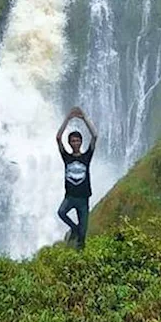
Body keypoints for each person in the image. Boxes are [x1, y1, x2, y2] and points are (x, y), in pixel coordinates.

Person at [56, 106, 98, 249]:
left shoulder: (87, 157)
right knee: (61, 212)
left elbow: (95, 136)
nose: (75, 143)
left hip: (83, 198)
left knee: (83, 234)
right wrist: (68, 119)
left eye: (77, 141)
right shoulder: (66, 157)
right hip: (70, 197)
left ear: (81, 142)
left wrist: (84, 118)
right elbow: (58, 137)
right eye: (72, 141)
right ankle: (73, 228)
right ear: (70, 143)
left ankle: (80, 253)